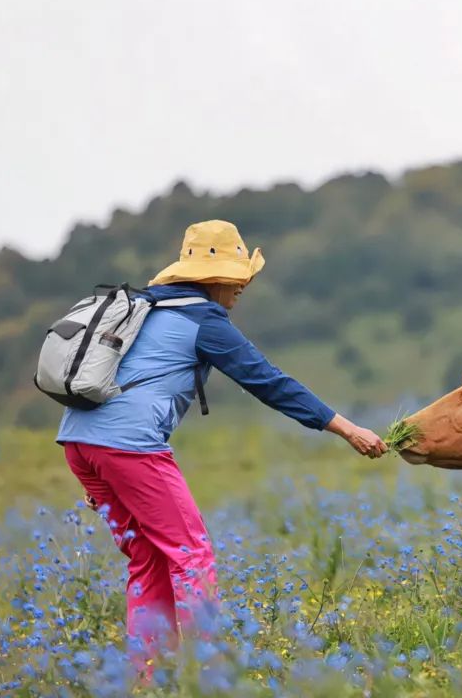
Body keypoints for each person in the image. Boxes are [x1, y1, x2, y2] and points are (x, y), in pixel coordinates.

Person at [57, 221, 386, 666]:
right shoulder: (203, 320)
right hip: (128, 448)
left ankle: (148, 676)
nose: (242, 287)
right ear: (215, 279)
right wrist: (348, 429)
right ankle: (207, 672)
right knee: (192, 554)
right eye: (237, 277)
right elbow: (270, 382)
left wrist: (100, 464)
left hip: (81, 444)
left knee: (148, 559)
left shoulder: (146, 308)